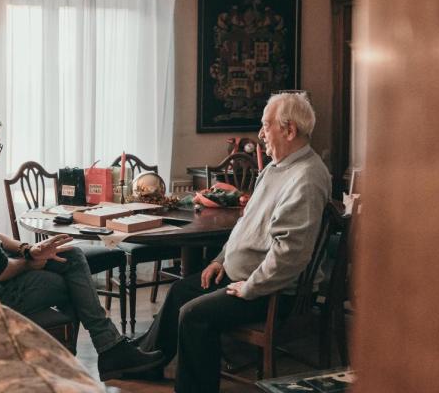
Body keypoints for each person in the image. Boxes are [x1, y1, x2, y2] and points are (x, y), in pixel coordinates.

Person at [0, 112, 164, 380]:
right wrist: (30, 263)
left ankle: (103, 351)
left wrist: (27, 249)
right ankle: (94, 356)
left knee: (71, 256)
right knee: (74, 283)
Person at [135, 92, 331, 392]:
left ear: (289, 130)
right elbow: (245, 225)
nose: (261, 134)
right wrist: (220, 260)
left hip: (272, 292)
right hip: (242, 276)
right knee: (179, 291)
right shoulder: (275, 168)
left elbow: (289, 255)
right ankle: (144, 363)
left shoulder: (306, 178)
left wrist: (250, 287)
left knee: (193, 315)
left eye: (266, 125)